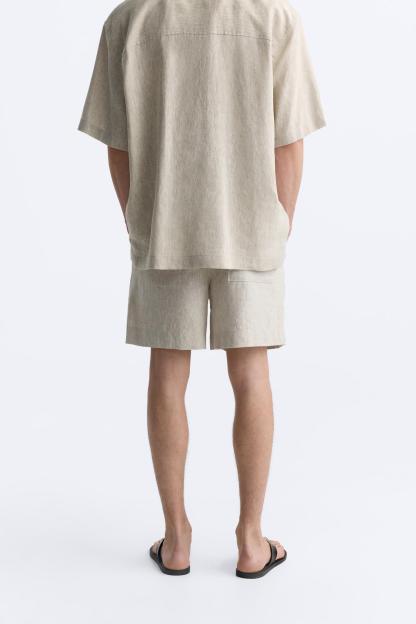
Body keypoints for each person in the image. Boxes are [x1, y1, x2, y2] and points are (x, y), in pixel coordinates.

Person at [78, 0, 325, 579]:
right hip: (251, 224)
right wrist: (280, 223)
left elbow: (118, 146)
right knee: (252, 372)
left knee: (168, 371)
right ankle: (251, 541)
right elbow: (289, 140)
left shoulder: (129, 19)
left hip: (165, 224)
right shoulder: (273, 17)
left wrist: (141, 222)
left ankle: (176, 539)